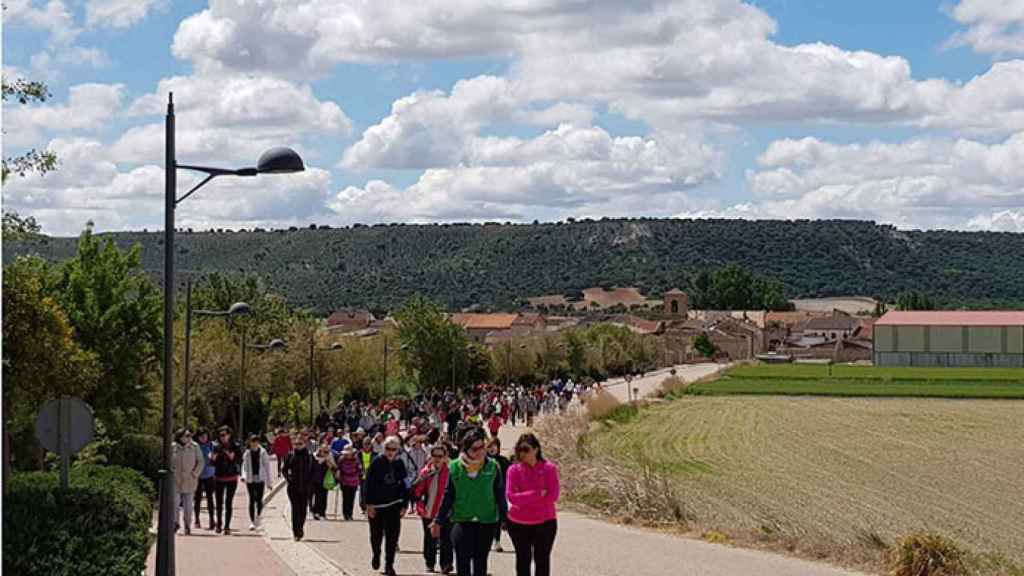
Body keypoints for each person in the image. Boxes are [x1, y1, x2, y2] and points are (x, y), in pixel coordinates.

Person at [434, 429, 507, 576]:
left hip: (486, 520)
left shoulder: (493, 466)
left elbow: (500, 494)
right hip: (462, 519)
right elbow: (448, 496)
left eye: (482, 447)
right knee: (463, 562)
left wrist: (505, 518)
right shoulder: (454, 466)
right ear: (466, 450)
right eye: (475, 449)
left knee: (480, 563)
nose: (480, 452)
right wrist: (438, 520)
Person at [506, 433, 560, 576]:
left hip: (545, 523)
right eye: (519, 450)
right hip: (518, 523)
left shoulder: (549, 469)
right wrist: (536, 494)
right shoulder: (513, 470)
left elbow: (553, 496)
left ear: (536, 449)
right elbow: (512, 497)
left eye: (526, 449)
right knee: (523, 560)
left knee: (542, 561)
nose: (522, 453)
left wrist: (525, 500)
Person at [365, 436, 409, 576]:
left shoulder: (399, 463)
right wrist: (369, 505)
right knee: (376, 535)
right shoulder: (376, 462)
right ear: (384, 449)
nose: (390, 452)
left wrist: (405, 504)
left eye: (393, 449)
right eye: (388, 449)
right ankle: (376, 553)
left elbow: (404, 485)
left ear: (397, 450)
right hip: (377, 506)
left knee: (393, 536)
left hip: (394, 505)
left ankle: (389, 564)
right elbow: (368, 485)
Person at [413, 444, 453, 574]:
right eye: (434, 455)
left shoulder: (450, 471)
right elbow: (418, 491)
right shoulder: (426, 472)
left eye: (440, 456)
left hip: (446, 511)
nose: (437, 459)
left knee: (446, 539)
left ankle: (446, 564)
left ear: (445, 457)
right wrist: (419, 505)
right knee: (430, 538)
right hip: (429, 510)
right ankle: (429, 563)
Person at [210, 425, 242, 534]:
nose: (222, 437)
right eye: (220, 435)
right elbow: (212, 463)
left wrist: (231, 455)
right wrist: (213, 458)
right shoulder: (216, 446)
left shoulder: (235, 446)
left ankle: (227, 526)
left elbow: (238, 460)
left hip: (231, 477)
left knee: (229, 502)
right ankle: (218, 524)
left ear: (229, 435)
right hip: (219, 477)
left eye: (224, 435)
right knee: (218, 503)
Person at [282, 429, 314, 541]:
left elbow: (313, 471)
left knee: (303, 510)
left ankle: (300, 527)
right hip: (293, 488)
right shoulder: (290, 456)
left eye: (300, 444)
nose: (297, 446)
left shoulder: (309, 457)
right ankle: (296, 531)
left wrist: (310, 483)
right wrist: (289, 479)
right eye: (295, 444)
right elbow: (284, 470)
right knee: (295, 509)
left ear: (304, 444)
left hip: (305, 487)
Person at [172, 428, 202, 535]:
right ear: (180, 437)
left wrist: (194, 474)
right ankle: (175, 523)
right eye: (186, 435)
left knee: (188, 506)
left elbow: (200, 461)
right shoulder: (173, 447)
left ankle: (187, 525)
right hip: (176, 480)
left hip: (190, 481)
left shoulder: (195, 446)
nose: (189, 437)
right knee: (174, 504)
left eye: (190, 435)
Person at [486, 437, 512, 552]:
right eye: (490, 446)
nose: (492, 449)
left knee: (498, 517)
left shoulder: (504, 461)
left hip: (500, 493)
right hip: (485, 494)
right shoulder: (482, 461)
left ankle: (497, 540)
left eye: (494, 446)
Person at [241, 434, 271, 530]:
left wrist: (269, 482)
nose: (254, 444)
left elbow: (267, 467)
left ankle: (258, 517)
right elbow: (244, 466)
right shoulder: (247, 453)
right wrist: (244, 476)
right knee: (252, 499)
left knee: (259, 499)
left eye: (256, 442)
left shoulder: (263, 452)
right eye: (252, 442)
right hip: (250, 478)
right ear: (250, 443)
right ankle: (252, 521)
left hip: (260, 478)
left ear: (258, 443)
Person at [194, 428, 216, 530]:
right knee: (197, 498)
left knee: (210, 498)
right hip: (198, 475)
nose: (204, 438)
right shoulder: (195, 446)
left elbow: (215, 458)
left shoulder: (212, 445)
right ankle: (197, 519)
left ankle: (212, 520)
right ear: (198, 437)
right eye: (201, 436)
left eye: (205, 436)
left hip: (209, 474)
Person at [336, 446, 363, 521]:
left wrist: (359, 474)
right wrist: (338, 474)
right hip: (344, 481)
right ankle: (345, 514)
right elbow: (339, 468)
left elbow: (359, 469)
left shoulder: (356, 460)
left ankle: (350, 514)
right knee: (345, 498)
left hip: (354, 481)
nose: (347, 455)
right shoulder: (341, 459)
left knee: (351, 498)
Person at [311, 443, 336, 520]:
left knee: (324, 496)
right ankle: (315, 512)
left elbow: (334, 468)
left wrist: (328, 461)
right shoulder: (314, 457)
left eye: (327, 452)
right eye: (324, 451)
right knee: (316, 497)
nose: (325, 453)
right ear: (320, 450)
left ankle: (322, 513)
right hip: (315, 480)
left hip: (324, 480)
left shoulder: (329, 458)